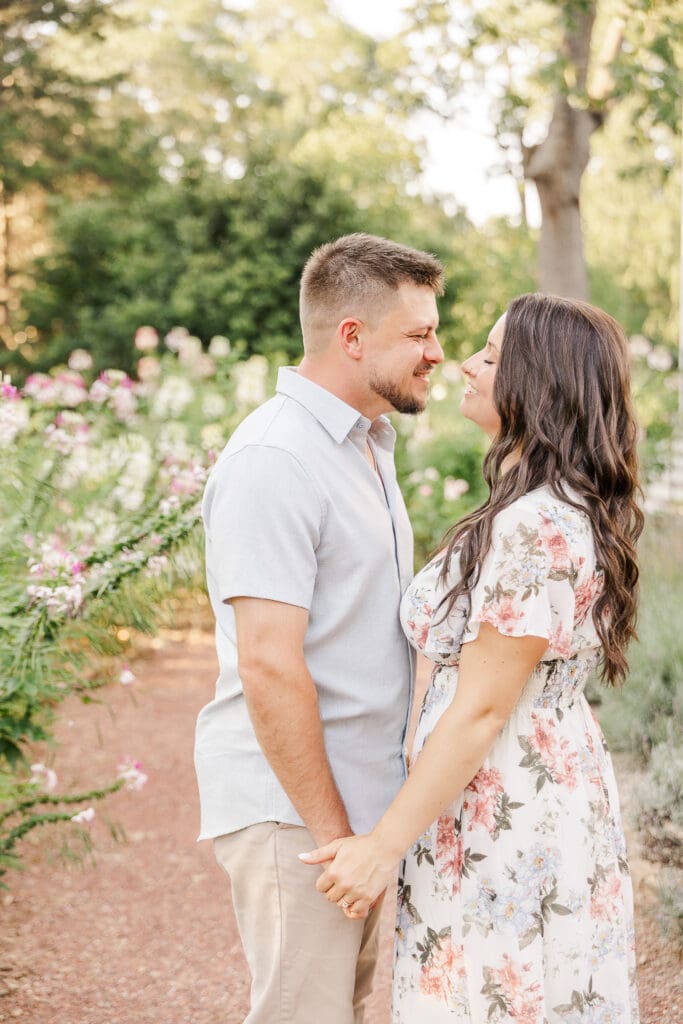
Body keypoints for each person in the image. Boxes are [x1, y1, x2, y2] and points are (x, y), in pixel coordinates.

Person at [302, 292, 643, 1023]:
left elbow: (482, 709)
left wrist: (378, 849)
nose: (463, 364)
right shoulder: (551, 505)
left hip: (505, 806)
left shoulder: (532, 526)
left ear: (537, 383)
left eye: (489, 357)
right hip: (535, 786)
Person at [194, 232, 445, 1023]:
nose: (436, 352)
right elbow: (269, 664)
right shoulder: (276, 458)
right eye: (419, 333)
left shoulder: (366, 445)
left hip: (358, 808)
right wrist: (339, 838)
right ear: (351, 337)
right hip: (298, 812)